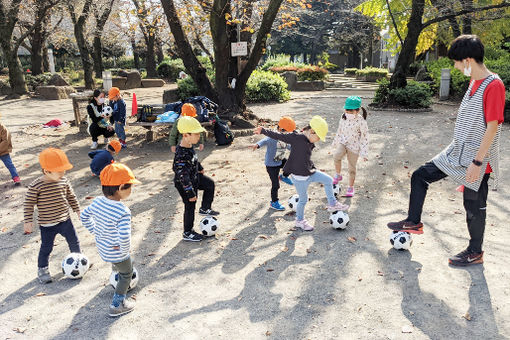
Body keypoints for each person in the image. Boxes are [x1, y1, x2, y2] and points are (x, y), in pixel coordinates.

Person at [387, 35, 505, 266]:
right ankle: (413, 221)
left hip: (478, 158)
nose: (455, 66)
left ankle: (475, 252)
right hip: (457, 151)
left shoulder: (494, 85)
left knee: (473, 206)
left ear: (468, 60)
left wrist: (477, 162)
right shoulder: (473, 82)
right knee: (420, 175)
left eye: (457, 62)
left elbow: (493, 128)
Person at [254, 116, 349, 231]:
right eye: (318, 138)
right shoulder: (296, 137)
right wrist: (263, 130)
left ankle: (332, 203)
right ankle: (299, 221)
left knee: (328, 180)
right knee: (303, 200)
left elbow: (306, 158)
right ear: (312, 132)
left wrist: (313, 167)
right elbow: (279, 136)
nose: (318, 140)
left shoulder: (309, 142)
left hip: (309, 173)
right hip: (299, 178)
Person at [80, 163, 140, 317]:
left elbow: (84, 216)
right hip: (116, 251)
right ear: (120, 188)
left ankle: (115, 270)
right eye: (130, 187)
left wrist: (94, 230)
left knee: (121, 264)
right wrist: (124, 251)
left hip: (102, 248)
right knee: (127, 273)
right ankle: (117, 305)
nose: (131, 190)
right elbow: (124, 236)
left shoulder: (98, 201)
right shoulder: (122, 211)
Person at [23, 148, 81, 283]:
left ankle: (79, 261)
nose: (63, 173)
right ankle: (42, 269)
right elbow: (28, 204)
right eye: (59, 171)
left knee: (74, 241)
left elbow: (71, 197)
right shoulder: (36, 186)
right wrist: (28, 220)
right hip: (47, 224)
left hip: (65, 220)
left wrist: (78, 210)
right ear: (46, 171)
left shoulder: (64, 181)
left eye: (64, 170)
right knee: (46, 248)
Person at [173, 116, 219, 242]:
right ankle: (188, 232)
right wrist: (190, 192)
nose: (199, 136)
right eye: (196, 134)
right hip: (184, 184)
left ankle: (205, 208)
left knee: (209, 184)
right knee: (190, 205)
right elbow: (182, 174)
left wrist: (199, 167)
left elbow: (194, 158)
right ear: (186, 135)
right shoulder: (181, 154)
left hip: (194, 177)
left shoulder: (189, 146)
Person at [250, 116, 295, 211]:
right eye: (287, 132)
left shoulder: (285, 138)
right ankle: (274, 202)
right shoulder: (272, 137)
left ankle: (283, 176)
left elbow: (290, 147)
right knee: (276, 185)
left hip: (279, 159)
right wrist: (257, 145)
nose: (288, 134)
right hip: (271, 165)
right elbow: (264, 140)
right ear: (281, 129)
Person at [331, 96, 369, 197]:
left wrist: (364, 152)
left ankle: (350, 187)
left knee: (352, 168)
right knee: (336, 156)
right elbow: (339, 130)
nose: (348, 113)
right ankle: (338, 175)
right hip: (343, 143)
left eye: (350, 112)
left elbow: (364, 137)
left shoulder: (362, 121)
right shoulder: (343, 117)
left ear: (357, 111)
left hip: (354, 147)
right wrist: (335, 142)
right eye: (346, 111)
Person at [0, 115, 21, 186]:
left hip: (3, 151)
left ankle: (16, 177)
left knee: (9, 164)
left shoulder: (3, 128)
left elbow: (5, 141)